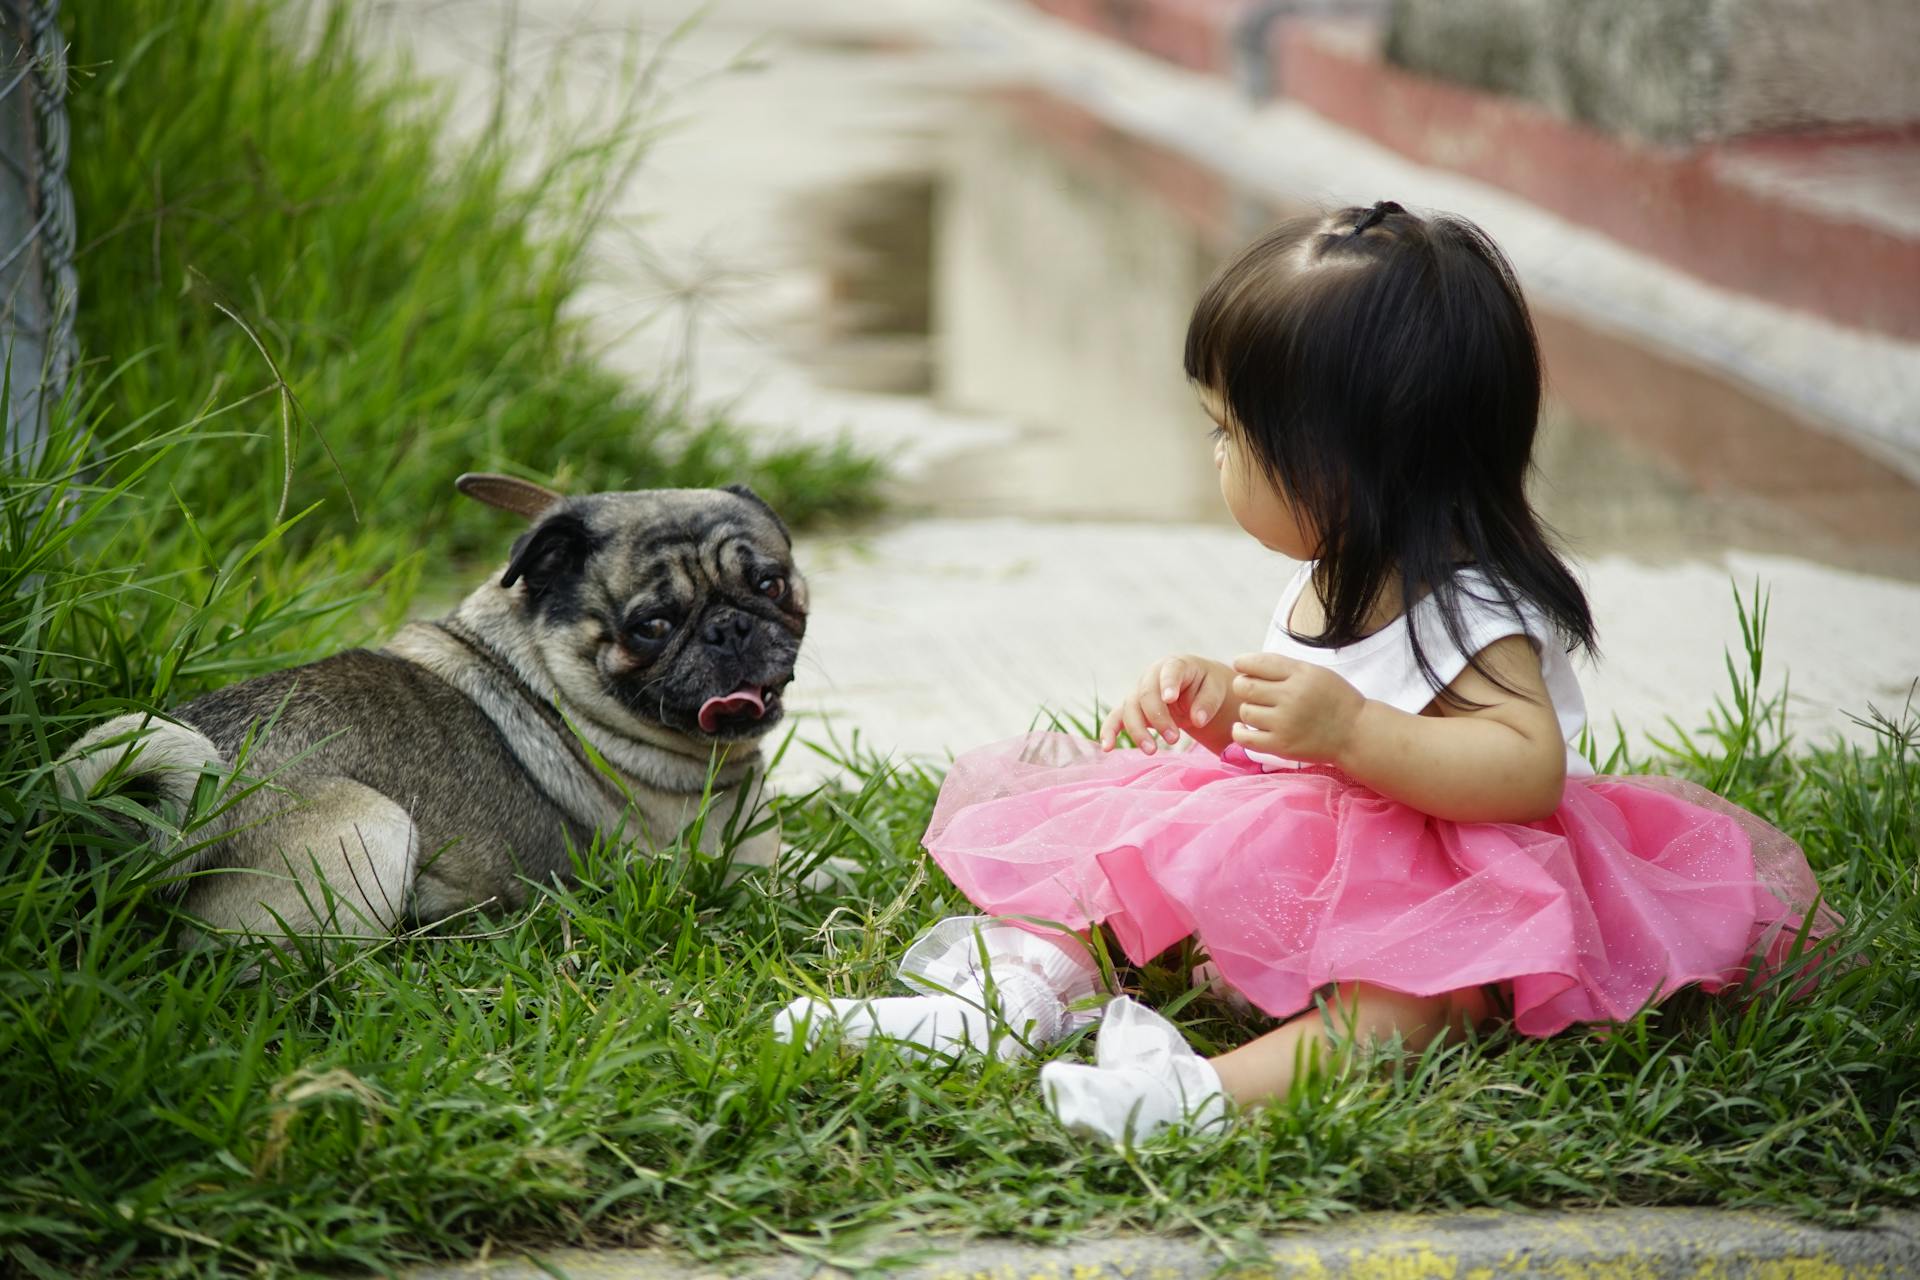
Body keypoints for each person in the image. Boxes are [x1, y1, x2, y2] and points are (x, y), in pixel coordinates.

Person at [774, 201, 1834, 1144]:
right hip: (1311, 831)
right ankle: (997, 999)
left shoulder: (1473, 608)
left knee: (1419, 1004)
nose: (1218, 455)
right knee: (1116, 859)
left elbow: (1526, 768)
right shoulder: (1327, 572)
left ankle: (1193, 1094)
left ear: (1354, 464)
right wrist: (1226, 703)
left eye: (1234, 432)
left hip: (1451, 877)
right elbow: (1296, 713)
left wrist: (1357, 733)